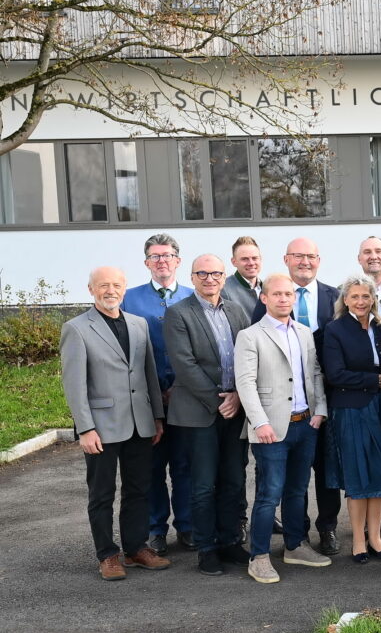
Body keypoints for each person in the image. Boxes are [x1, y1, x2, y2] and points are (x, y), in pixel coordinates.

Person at [60, 267, 171, 581]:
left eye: (117, 285)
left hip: (140, 423)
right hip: (101, 426)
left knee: (139, 490)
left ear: (125, 289)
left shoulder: (138, 324)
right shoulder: (77, 328)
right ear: (91, 289)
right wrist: (85, 428)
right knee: (102, 493)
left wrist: (157, 418)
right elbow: (74, 384)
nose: (111, 290)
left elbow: (149, 373)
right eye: (104, 285)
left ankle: (136, 548)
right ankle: (107, 555)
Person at [234, 274, 332, 583]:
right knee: (269, 493)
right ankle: (259, 556)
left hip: (305, 424)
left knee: (297, 490)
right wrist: (259, 421)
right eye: (276, 294)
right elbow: (245, 382)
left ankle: (294, 546)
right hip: (271, 429)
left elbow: (315, 372)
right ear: (264, 298)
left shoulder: (304, 332)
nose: (283, 299)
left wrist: (320, 411)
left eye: (288, 294)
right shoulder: (250, 336)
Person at [163, 255, 252, 576]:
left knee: (234, 479)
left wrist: (239, 397)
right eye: (203, 273)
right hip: (199, 413)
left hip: (235, 410)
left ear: (224, 276)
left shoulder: (236, 310)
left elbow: (248, 355)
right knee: (202, 484)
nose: (210, 278)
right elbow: (184, 366)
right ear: (193, 276)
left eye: (216, 273)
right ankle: (206, 548)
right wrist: (220, 402)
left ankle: (230, 541)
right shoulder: (178, 313)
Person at [252, 238, 342, 554]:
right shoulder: (264, 310)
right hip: (279, 411)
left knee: (326, 471)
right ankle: (296, 534)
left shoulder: (335, 296)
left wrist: (322, 406)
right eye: (298, 256)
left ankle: (327, 528)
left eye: (311, 256)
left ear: (319, 260)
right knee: (287, 483)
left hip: (323, 401)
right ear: (286, 259)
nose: (305, 261)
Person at [321, 275, 381, 566]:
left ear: (373, 299)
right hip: (351, 409)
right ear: (345, 300)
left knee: (380, 473)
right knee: (359, 475)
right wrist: (373, 381)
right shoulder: (334, 330)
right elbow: (334, 374)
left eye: (366, 297)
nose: (360, 302)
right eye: (355, 297)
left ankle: (375, 538)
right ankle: (358, 540)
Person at [121, 233, 194, 556]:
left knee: (185, 467)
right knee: (151, 468)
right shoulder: (129, 299)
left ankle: (189, 527)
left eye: (167, 255)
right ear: (146, 262)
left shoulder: (194, 297)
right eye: (155, 256)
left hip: (187, 399)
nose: (162, 261)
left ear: (178, 261)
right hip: (147, 401)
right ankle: (155, 530)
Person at [222, 236, 264, 312]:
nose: (251, 263)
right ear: (234, 262)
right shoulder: (223, 289)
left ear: (260, 259)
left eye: (254, 258)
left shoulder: (268, 288)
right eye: (245, 259)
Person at [356, 236, 381, 313]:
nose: (373, 257)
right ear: (359, 259)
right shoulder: (345, 291)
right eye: (367, 252)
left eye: (378, 251)